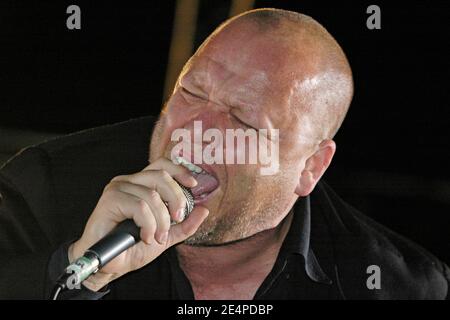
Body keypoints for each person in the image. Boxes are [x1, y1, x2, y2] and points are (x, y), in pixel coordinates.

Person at [0, 8, 448, 300]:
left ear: (311, 167)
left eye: (243, 120)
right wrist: (80, 272)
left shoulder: (400, 286)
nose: (195, 132)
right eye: (192, 92)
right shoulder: (43, 189)